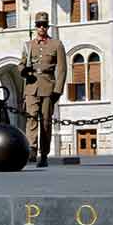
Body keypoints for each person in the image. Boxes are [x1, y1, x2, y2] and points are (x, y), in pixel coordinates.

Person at [18, 11, 66, 167]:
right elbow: (21, 64)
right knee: (31, 118)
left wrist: (57, 90)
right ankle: (32, 149)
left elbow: (62, 69)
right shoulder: (28, 45)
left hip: (48, 87)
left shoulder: (56, 44)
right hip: (31, 87)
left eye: (44, 25)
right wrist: (24, 71)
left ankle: (44, 154)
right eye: (39, 25)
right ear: (35, 27)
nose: (42, 28)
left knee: (45, 123)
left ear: (48, 27)